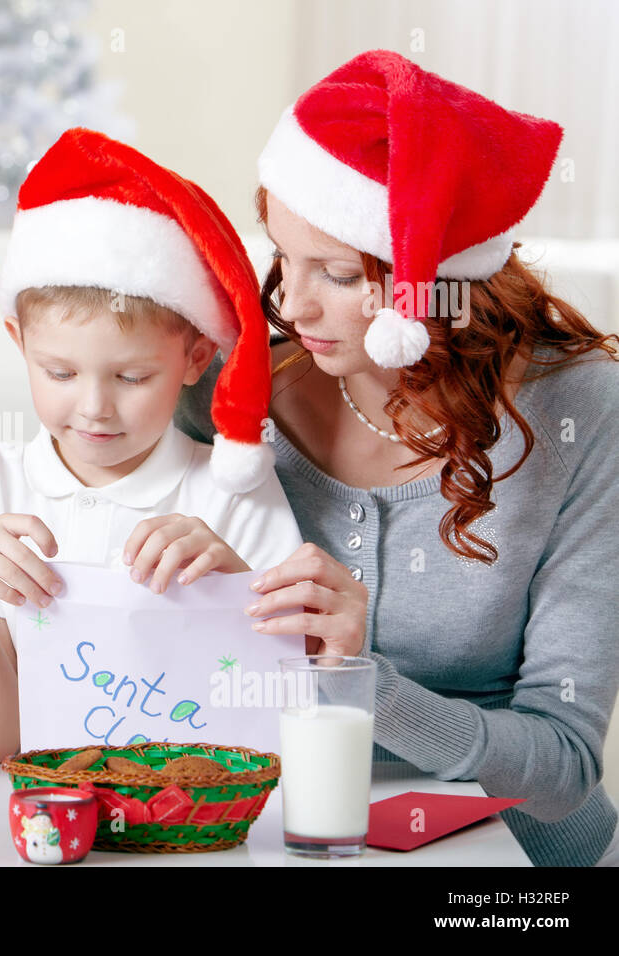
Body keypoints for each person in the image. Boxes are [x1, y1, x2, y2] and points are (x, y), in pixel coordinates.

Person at [174, 50, 619, 867]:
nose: (292, 305)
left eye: (340, 274)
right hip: (271, 833)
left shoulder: (582, 409)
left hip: (508, 860)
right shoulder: (233, 393)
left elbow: (564, 768)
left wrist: (359, 680)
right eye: (283, 255)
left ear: (436, 281)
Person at [0, 128, 304, 762]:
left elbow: (279, 714)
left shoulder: (231, 490)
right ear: (19, 344)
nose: (94, 407)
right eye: (59, 373)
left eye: (132, 378)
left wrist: (232, 585)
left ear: (195, 358)